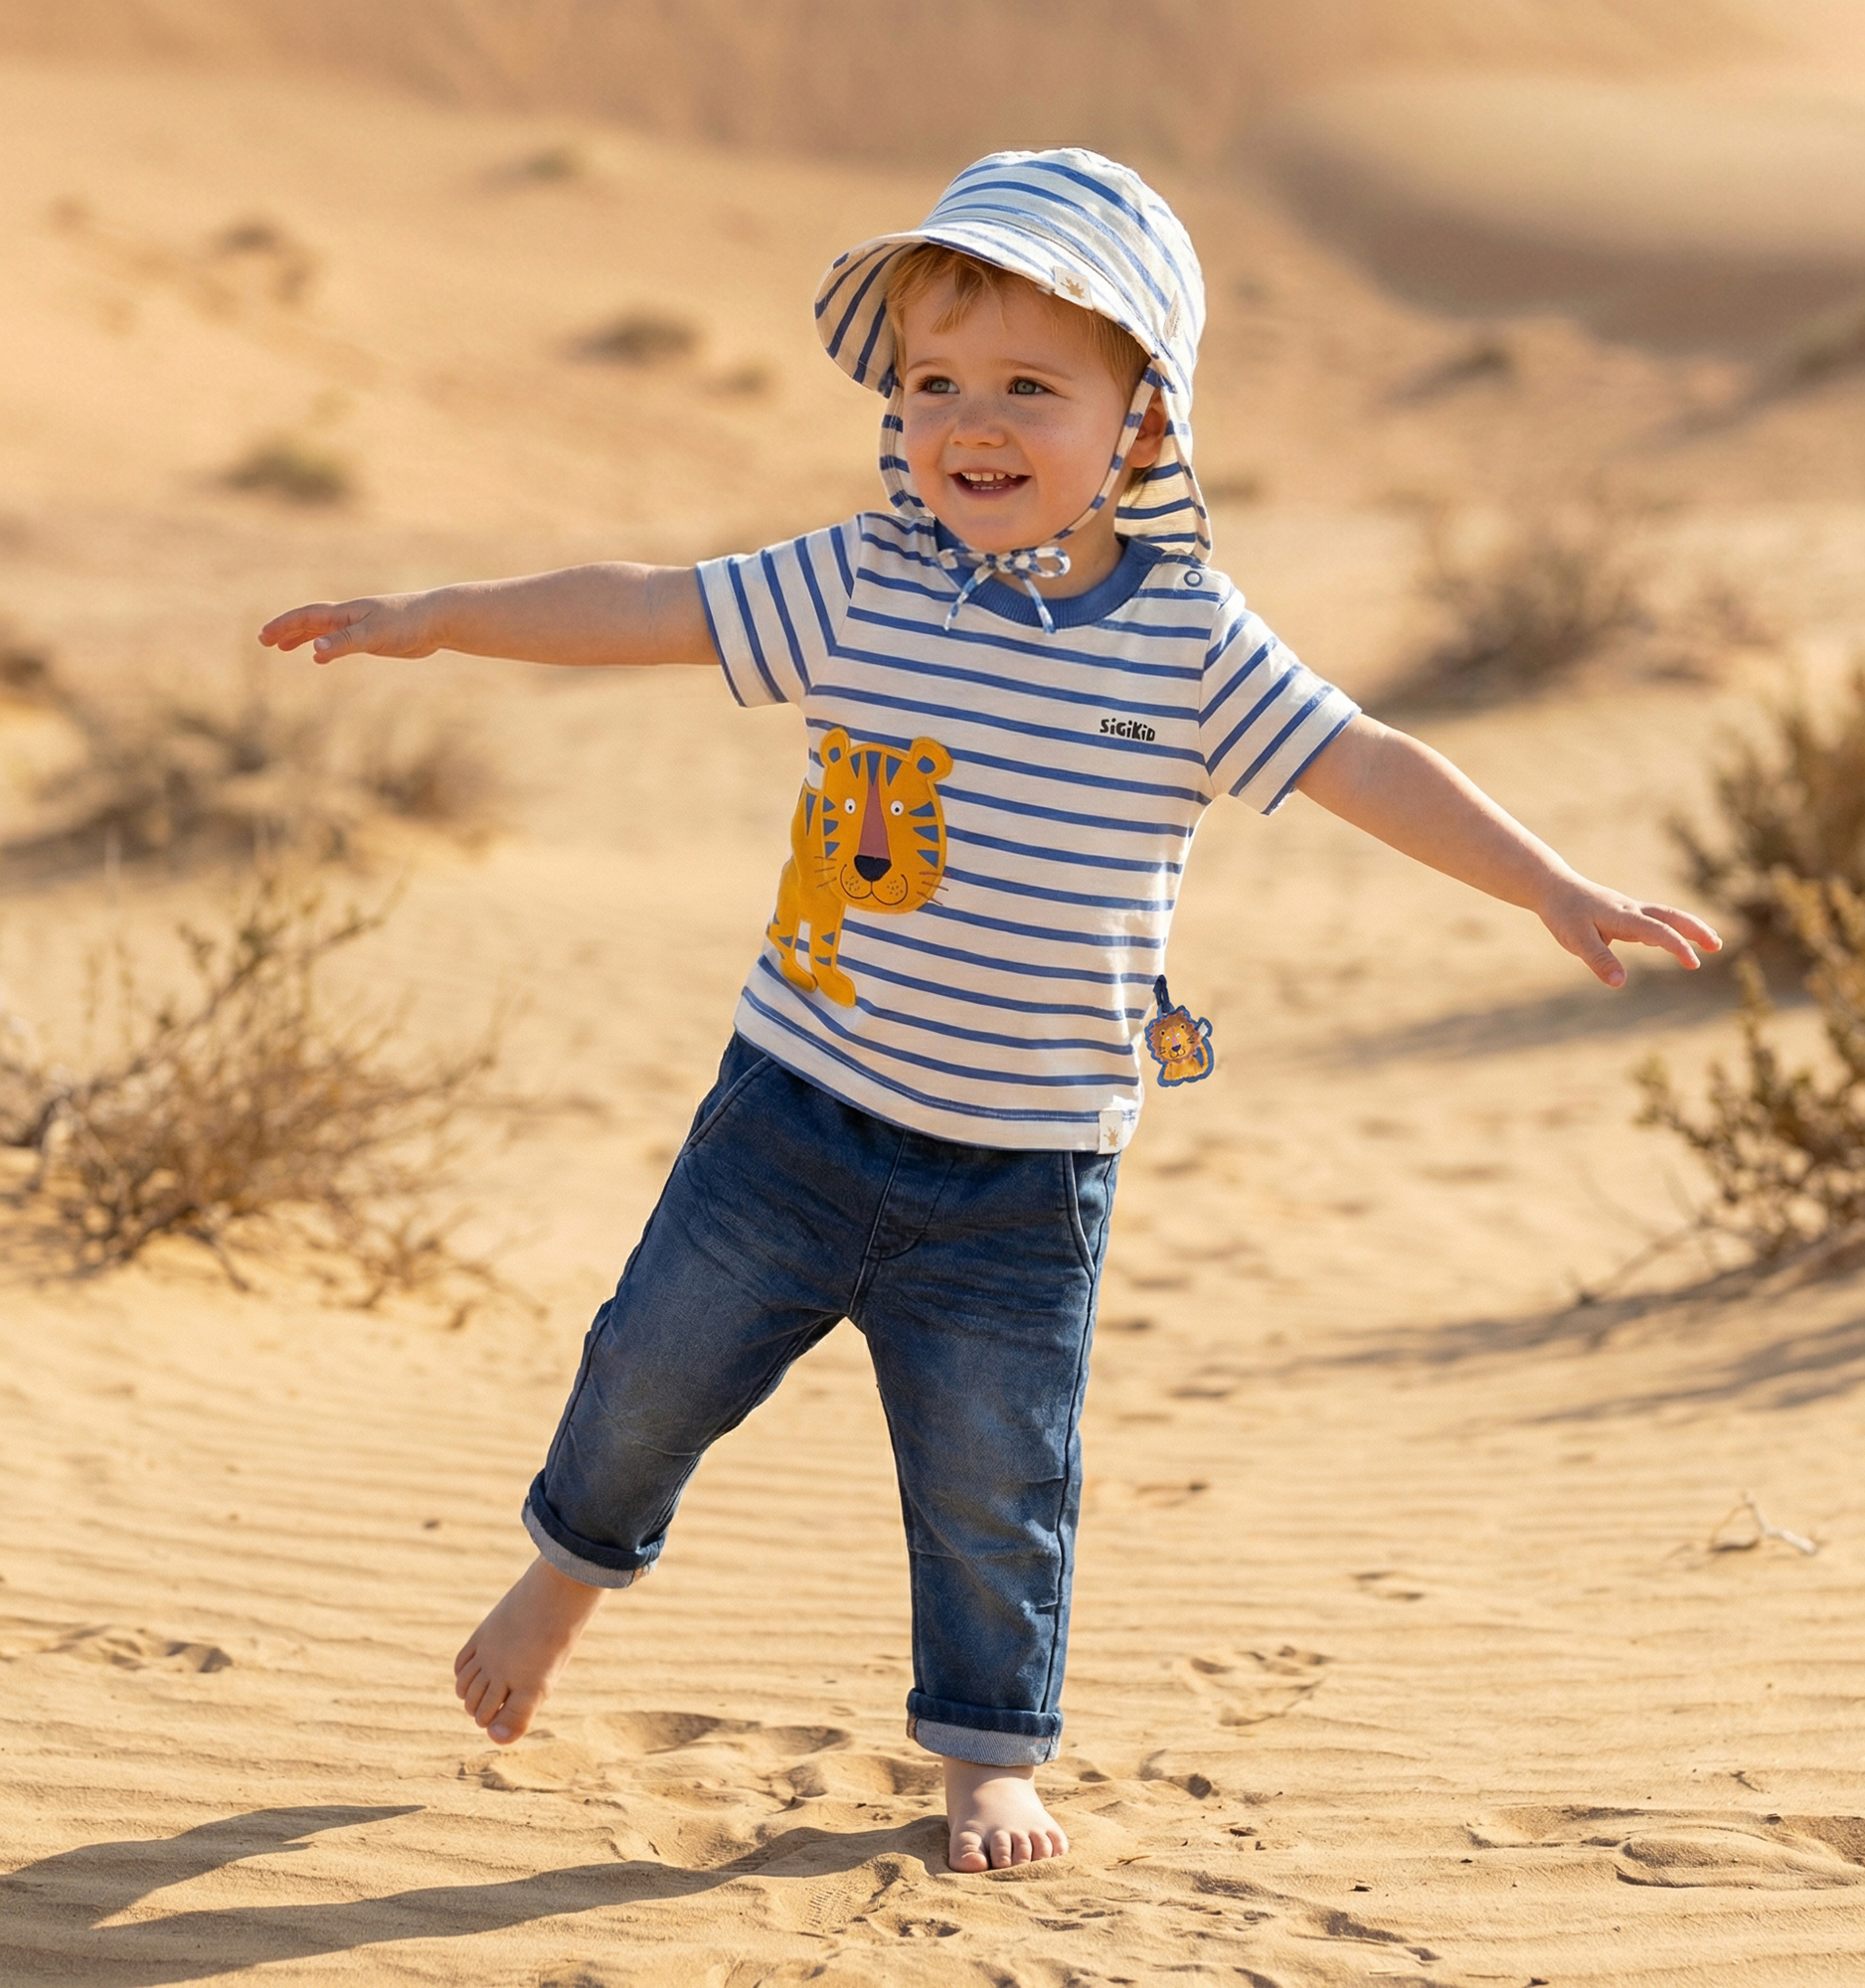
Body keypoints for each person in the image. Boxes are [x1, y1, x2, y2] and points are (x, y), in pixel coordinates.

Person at [259, 148, 1719, 1873]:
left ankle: (986, 1759)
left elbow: (1362, 759)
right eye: (938, 380)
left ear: (1143, 425)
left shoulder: (1189, 640)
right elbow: (650, 604)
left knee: (994, 1486)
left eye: (1033, 384)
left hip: (1027, 1179)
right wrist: (441, 621)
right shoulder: (861, 578)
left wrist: (1547, 882)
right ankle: (566, 1576)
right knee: (649, 1371)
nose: (974, 419)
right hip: (794, 1113)